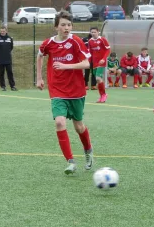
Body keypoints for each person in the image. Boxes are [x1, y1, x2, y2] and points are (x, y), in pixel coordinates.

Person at [36, 11, 94, 174]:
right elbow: (40, 56)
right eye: (63, 25)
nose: (66, 28)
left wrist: (66, 66)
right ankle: (70, 161)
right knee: (60, 122)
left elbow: (86, 64)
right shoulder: (49, 43)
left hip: (76, 90)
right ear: (56, 27)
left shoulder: (76, 42)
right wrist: (39, 78)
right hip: (57, 90)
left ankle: (88, 150)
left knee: (78, 126)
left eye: (69, 25)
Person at [87, 27, 111, 102]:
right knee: (98, 80)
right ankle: (102, 96)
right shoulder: (90, 41)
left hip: (101, 62)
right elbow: (90, 52)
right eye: (92, 32)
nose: (93, 33)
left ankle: (103, 95)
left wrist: (103, 59)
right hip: (94, 63)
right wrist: (88, 62)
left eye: (94, 32)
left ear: (98, 32)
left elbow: (108, 50)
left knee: (98, 78)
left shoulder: (102, 40)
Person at [0, 26, 16, 91]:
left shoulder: (9, 38)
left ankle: (12, 86)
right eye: (1, 31)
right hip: (0, 59)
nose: (2, 32)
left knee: (10, 73)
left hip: (8, 59)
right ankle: (3, 86)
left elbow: (11, 47)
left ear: (6, 31)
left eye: (3, 31)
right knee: (1, 73)